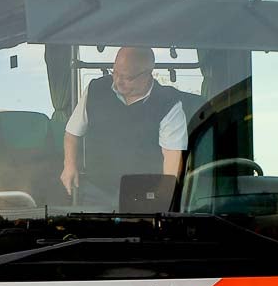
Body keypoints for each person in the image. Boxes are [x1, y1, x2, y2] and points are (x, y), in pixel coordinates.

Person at [60, 46, 189, 209]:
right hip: (96, 190)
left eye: (127, 77)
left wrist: (166, 198)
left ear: (147, 74)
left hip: (144, 193)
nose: (118, 81)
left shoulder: (169, 104)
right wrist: (69, 165)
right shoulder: (96, 89)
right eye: (115, 73)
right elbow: (72, 134)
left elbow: (172, 156)